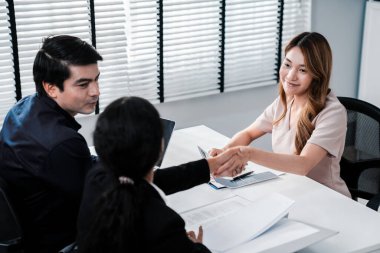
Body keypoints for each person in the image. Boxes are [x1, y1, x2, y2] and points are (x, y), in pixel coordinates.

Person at [77, 96, 234, 253]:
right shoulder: (164, 224)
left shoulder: (96, 178)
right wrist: (196, 246)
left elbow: (153, 182)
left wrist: (209, 166)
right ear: (160, 148)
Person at [210, 32, 351, 198]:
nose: (291, 76)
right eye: (288, 65)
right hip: (293, 192)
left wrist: (248, 154)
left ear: (317, 76)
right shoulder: (285, 102)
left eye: (303, 70)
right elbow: (248, 133)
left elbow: (303, 165)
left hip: (328, 200)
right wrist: (225, 154)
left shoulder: (333, 113)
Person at [0, 35, 103, 252]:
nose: (96, 92)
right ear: (51, 88)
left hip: (31, 222)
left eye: (96, 79)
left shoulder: (21, 108)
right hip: (57, 239)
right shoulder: (63, 142)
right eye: (83, 84)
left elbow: (68, 168)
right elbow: (104, 196)